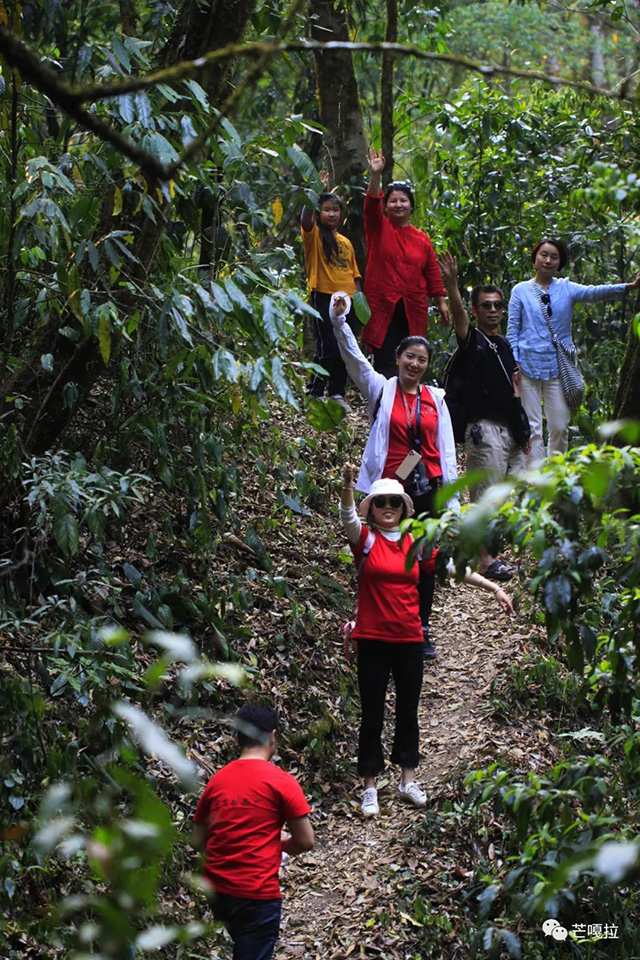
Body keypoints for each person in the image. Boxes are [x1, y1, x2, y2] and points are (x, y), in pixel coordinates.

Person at [340, 464, 513, 818]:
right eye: (380, 502)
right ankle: (370, 787)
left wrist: (492, 586)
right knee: (372, 713)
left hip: (408, 639)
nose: (388, 507)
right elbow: (346, 516)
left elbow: (452, 569)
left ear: (404, 508)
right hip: (372, 638)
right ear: (371, 508)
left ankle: (408, 779)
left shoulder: (414, 545)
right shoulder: (365, 541)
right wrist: (346, 485)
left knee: (408, 710)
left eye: (394, 502)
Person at [330, 291, 457, 660]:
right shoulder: (381, 389)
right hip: (390, 489)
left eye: (422, 360)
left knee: (423, 557)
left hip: (427, 488)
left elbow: (445, 449)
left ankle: (421, 628)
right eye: (409, 357)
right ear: (398, 359)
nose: (414, 364)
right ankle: (376, 624)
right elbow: (353, 358)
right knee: (381, 557)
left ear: (427, 365)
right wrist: (340, 320)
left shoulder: (436, 398)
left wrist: (454, 498)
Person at [193, 702, 314, 960]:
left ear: (237, 738)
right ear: (273, 737)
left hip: (217, 891)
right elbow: (305, 841)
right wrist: (277, 844)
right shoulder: (282, 782)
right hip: (257, 893)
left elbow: (198, 839)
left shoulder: (217, 781)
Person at [438, 251, 531, 580]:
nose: (493, 310)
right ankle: (484, 560)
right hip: (484, 430)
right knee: (485, 494)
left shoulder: (504, 345)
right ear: (476, 310)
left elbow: (513, 389)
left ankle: (492, 554)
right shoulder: (472, 342)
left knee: (507, 495)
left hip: (510, 431)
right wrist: (452, 285)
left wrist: (523, 432)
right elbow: (460, 319)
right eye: (486, 305)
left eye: (497, 305)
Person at [507, 238, 640, 466]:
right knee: (533, 427)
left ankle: (556, 473)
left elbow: (594, 292)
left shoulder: (566, 288)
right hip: (527, 367)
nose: (548, 260)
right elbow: (513, 330)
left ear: (560, 263)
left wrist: (629, 287)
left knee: (559, 425)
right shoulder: (520, 291)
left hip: (558, 367)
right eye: (543, 255)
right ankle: (535, 481)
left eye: (554, 257)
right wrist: (514, 364)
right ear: (535, 258)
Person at [362, 148, 450, 378]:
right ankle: (384, 409)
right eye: (393, 201)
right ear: (386, 206)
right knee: (384, 362)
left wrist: (441, 302)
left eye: (403, 200)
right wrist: (376, 175)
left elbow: (431, 271)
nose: (398, 205)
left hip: (413, 308)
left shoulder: (421, 238)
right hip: (383, 305)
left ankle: (409, 410)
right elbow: (371, 203)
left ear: (411, 206)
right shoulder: (378, 227)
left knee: (412, 359)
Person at [300, 174, 362, 409]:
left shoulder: (345, 242)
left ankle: (337, 393)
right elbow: (306, 219)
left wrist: (358, 301)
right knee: (327, 346)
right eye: (326, 209)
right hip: (323, 295)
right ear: (319, 212)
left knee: (345, 346)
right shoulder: (314, 235)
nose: (332, 213)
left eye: (336, 209)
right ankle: (315, 392)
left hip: (347, 300)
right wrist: (314, 192)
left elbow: (354, 275)